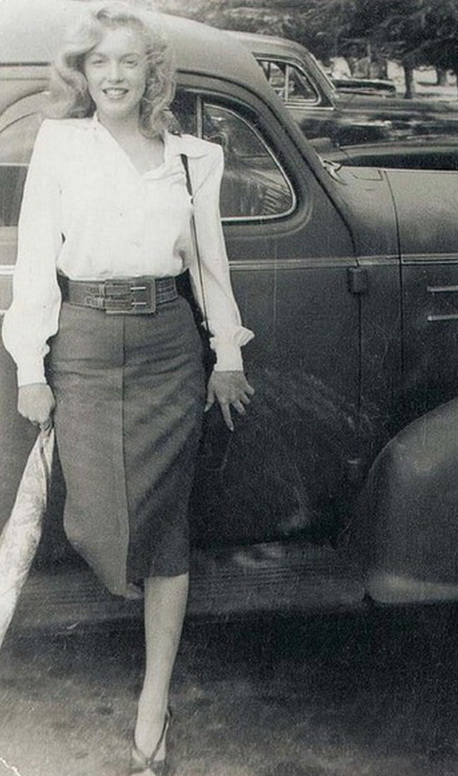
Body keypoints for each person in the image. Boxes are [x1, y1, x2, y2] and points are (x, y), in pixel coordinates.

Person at [1, 1, 254, 773]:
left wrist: (228, 352)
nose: (114, 75)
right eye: (100, 61)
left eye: (129, 61)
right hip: (81, 339)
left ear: (152, 72)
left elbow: (209, 265)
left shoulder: (192, 158)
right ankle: (131, 604)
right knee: (97, 520)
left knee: (166, 523)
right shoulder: (61, 144)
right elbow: (35, 257)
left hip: (169, 348)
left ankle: (154, 701)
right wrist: (32, 366)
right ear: (85, 72)